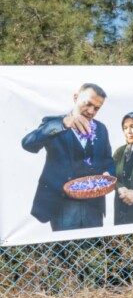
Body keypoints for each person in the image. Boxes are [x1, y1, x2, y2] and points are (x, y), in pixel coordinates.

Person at [22, 83, 115, 231]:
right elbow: (28, 144)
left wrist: (108, 173)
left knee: (92, 250)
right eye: (88, 104)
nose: (91, 111)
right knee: (65, 252)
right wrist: (64, 124)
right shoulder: (54, 123)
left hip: (93, 205)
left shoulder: (101, 129)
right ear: (76, 97)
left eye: (97, 108)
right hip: (62, 204)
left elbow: (108, 160)